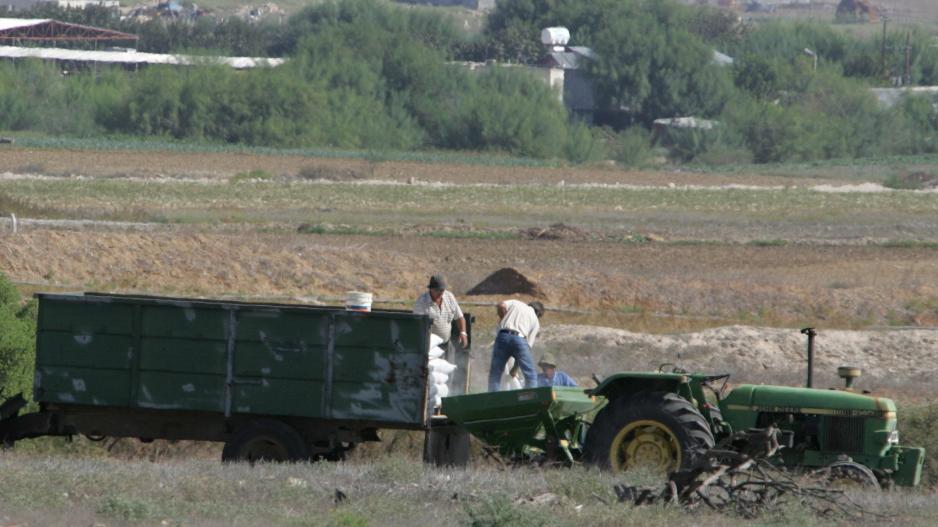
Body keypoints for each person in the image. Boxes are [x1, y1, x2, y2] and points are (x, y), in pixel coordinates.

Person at [487, 299, 544, 391]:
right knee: (531, 376)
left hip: (502, 336)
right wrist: (515, 369)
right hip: (520, 339)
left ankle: (492, 400)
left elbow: (501, 305)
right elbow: (528, 347)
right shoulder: (535, 321)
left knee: (495, 374)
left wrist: (503, 318)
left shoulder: (516, 303)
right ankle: (529, 400)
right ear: (539, 314)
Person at [413, 274, 468, 347]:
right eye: (437, 290)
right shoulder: (422, 302)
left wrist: (463, 332)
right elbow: (418, 326)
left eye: (442, 290)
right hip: (429, 346)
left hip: (446, 344)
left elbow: (459, 317)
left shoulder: (449, 296)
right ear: (431, 289)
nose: (440, 293)